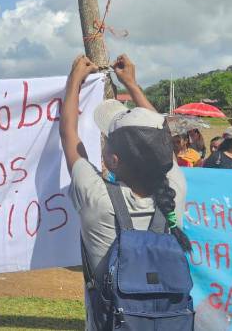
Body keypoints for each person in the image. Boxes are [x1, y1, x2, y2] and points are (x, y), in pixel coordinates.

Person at [59, 54, 189, 330]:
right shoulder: (174, 189)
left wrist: (74, 81)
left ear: (112, 160)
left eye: (107, 141)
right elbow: (162, 138)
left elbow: (68, 135)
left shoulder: (98, 197)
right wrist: (131, 83)